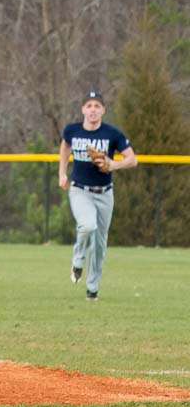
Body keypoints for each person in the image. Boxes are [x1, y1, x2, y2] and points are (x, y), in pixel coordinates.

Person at [58, 90, 137, 301]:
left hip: (104, 194)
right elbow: (65, 147)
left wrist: (114, 164)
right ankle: (78, 260)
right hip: (80, 190)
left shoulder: (112, 134)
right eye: (89, 105)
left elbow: (133, 159)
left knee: (100, 245)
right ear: (83, 109)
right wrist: (62, 173)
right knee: (87, 226)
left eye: (97, 106)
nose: (93, 110)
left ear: (103, 110)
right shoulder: (72, 130)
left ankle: (92, 289)